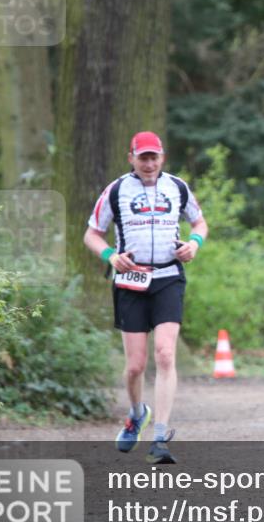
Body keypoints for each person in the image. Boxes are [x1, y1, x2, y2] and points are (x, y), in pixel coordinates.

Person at [83, 131, 208, 465]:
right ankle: (138, 413)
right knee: (136, 366)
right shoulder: (116, 190)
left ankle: (160, 436)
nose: (149, 163)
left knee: (165, 354)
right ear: (132, 158)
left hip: (168, 277)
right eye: (143, 157)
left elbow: (199, 222)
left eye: (154, 157)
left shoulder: (178, 187)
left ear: (162, 158)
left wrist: (194, 244)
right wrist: (110, 254)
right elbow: (92, 233)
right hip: (130, 280)